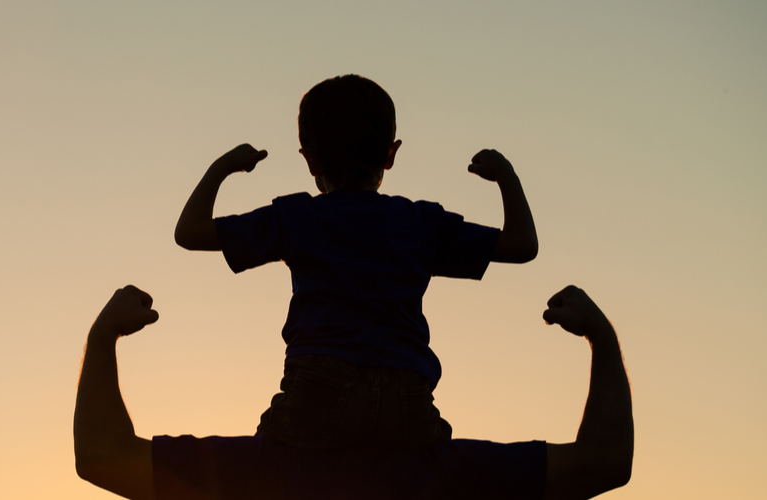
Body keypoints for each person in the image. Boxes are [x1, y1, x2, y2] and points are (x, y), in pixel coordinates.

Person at [173, 75, 539, 450]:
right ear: (390, 154)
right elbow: (522, 244)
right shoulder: (421, 222)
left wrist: (223, 167)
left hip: (317, 384)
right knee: (434, 471)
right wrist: (505, 177)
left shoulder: (296, 216)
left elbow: (189, 232)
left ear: (310, 158)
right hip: (407, 394)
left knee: (263, 473)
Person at [73, 285, 632, 500]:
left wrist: (103, 341)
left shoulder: (257, 473)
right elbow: (603, 462)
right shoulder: (447, 474)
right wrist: (601, 343)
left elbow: (104, 458)